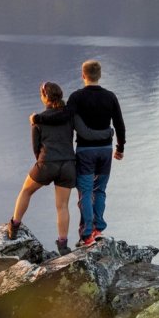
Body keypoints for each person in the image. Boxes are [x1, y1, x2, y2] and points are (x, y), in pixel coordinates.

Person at [8, 81, 112, 255]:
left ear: (44, 97)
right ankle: (63, 246)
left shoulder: (37, 119)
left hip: (46, 164)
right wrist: (108, 133)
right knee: (62, 206)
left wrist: (44, 166)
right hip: (68, 166)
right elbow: (86, 133)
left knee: (26, 191)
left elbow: (36, 148)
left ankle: (14, 227)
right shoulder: (69, 116)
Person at [30, 60, 126, 246]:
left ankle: (87, 234)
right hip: (106, 151)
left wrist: (37, 118)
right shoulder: (111, 97)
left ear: (83, 76)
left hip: (86, 151)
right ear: (100, 75)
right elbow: (119, 124)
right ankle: (98, 229)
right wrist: (120, 148)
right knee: (100, 190)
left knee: (85, 192)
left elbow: (64, 116)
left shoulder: (77, 97)